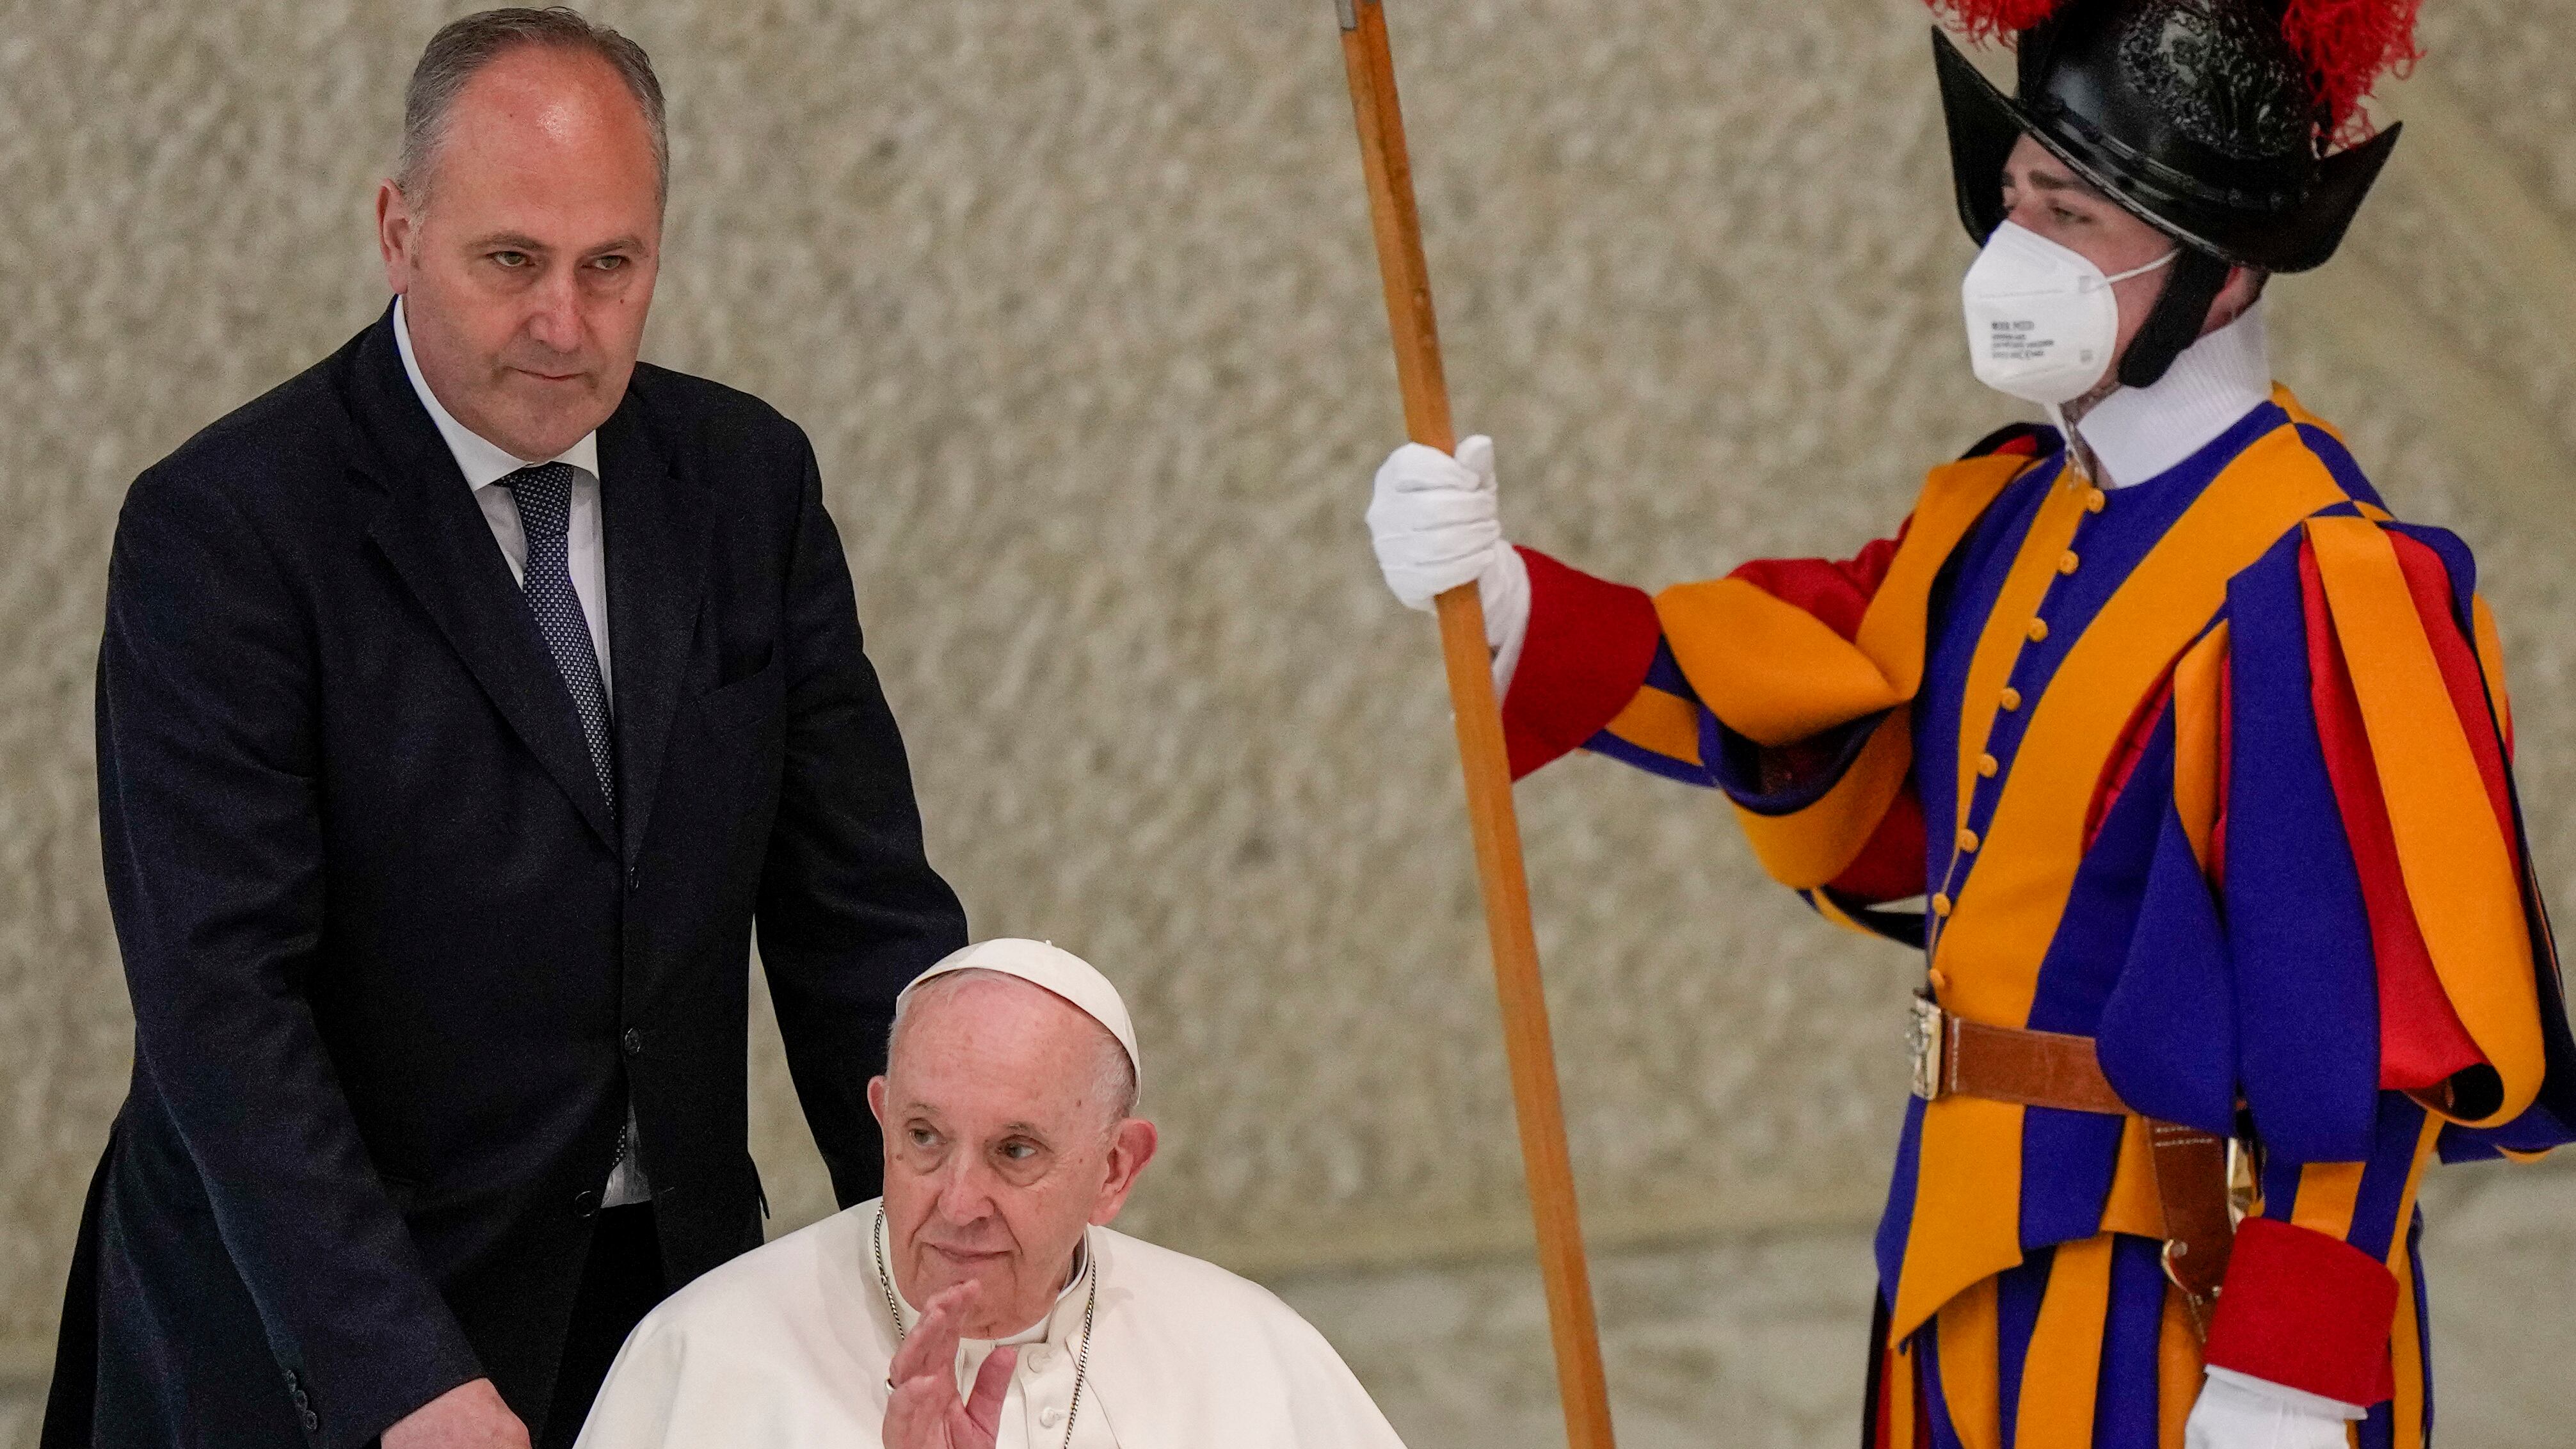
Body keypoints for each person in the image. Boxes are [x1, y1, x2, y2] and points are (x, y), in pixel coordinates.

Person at [1363, 1, 2576, 1446]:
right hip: (1950, 1252)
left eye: (2070, 214)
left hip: (2177, 1294)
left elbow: (2369, 1038)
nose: (2015, 251)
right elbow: (1816, 697)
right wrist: (1508, 603)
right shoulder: (2007, 508)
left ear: (2226, 262)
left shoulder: (2319, 577)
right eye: (2012, 201)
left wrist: (2288, 1374)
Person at [42, 10, 968, 1448]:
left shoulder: (746, 482)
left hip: (666, 1299)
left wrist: (955, 1236)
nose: (564, 324)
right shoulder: (225, 529)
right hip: (329, 1324)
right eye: (511, 262)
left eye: (611, 265)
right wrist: (398, 1373)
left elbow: (856, 914)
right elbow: (222, 1004)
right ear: (398, 232)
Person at [573, 938, 1410, 1449]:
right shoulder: (705, 1356)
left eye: (1015, 1152)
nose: (959, 1201)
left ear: (1115, 1169)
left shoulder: (1254, 1358)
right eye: (925, 1139)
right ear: (882, 1122)